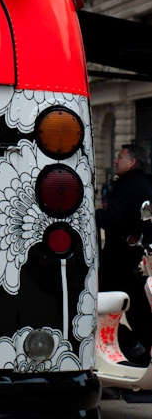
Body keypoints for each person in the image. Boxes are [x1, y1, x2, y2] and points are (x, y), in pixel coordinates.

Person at [96, 144, 152, 364]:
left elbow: (115, 218)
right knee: (136, 313)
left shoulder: (132, 187)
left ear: (132, 162)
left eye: (119, 157)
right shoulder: (139, 185)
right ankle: (139, 356)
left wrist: (92, 215)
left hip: (122, 264)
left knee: (107, 311)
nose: (115, 161)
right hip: (130, 263)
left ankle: (134, 355)